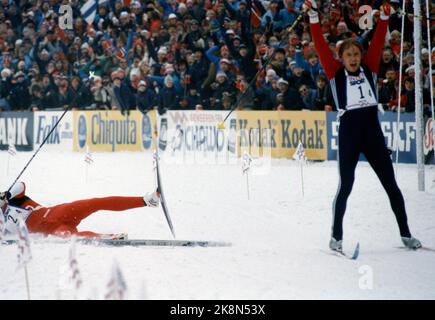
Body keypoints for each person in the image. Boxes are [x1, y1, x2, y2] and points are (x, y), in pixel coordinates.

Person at [304, 0, 421, 251]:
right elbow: (321, 46)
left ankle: (406, 233)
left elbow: (378, 41)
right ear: (341, 58)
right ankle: (336, 236)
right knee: (345, 185)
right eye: (348, 55)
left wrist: (385, 19)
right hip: (349, 133)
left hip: (372, 133)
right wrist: (313, 17)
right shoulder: (334, 72)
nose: (354, 58)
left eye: (356, 54)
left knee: (391, 184)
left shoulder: (371, 68)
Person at [0, 182, 160, 240]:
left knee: (94, 203)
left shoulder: (12, 198)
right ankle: (110, 237)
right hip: (50, 228)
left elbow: (21, 185)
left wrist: (6, 194)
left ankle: (146, 200)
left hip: (57, 212)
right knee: (71, 237)